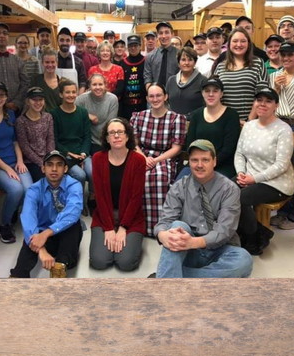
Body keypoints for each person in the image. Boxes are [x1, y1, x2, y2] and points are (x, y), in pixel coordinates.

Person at [153, 139, 253, 278]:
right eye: (194, 160)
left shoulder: (229, 189)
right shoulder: (179, 187)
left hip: (219, 249)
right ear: (189, 162)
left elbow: (225, 230)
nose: (199, 165)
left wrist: (194, 242)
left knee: (243, 260)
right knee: (176, 227)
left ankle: (173, 276)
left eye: (205, 160)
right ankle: (175, 281)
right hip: (187, 250)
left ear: (214, 161)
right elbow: (165, 221)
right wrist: (162, 235)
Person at [234, 86, 294, 255]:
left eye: (268, 101)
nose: (263, 104)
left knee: (240, 198)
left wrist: (254, 179)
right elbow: (239, 153)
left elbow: (282, 165)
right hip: (249, 176)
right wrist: (240, 172)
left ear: (276, 105)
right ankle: (260, 233)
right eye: (259, 100)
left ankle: (253, 241)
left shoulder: (283, 129)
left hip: (277, 182)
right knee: (224, 190)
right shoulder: (249, 126)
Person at [9, 150, 83, 278]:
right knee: (32, 233)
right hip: (43, 236)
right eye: (49, 164)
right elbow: (28, 217)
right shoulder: (34, 189)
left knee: (74, 225)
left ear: (65, 169)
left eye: (59, 165)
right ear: (43, 168)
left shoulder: (74, 185)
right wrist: (41, 248)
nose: (54, 169)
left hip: (63, 233)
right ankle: (19, 274)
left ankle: (60, 267)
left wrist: (46, 233)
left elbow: (73, 212)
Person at [0, 82, 33, 244]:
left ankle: (13, 209)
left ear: (6, 97)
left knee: (29, 189)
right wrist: (7, 169)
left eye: (1, 95)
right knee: (16, 189)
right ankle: (5, 225)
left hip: (14, 160)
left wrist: (19, 161)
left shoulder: (10, 114)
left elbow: (15, 141)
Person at [89, 118, 146, 271]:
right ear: (106, 138)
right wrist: (108, 228)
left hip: (130, 217)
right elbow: (99, 196)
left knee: (125, 263)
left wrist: (123, 228)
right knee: (99, 262)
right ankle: (111, 239)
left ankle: (129, 243)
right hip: (105, 215)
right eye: (112, 133)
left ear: (127, 136)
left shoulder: (138, 160)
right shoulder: (98, 159)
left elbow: (136, 198)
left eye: (120, 132)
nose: (116, 136)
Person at [130, 83, 186, 236]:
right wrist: (144, 158)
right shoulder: (139, 116)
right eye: (152, 96)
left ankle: (160, 227)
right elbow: (133, 143)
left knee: (158, 177)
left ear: (166, 96)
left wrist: (155, 161)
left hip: (165, 157)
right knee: (136, 176)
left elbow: (176, 148)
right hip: (141, 154)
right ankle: (138, 224)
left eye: (159, 95)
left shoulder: (176, 118)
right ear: (147, 98)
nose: (155, 99)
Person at [269, 41, 294, 230]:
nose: (285, 58)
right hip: (280, 123)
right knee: (282, 169)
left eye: (290, 54)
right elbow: (270, 102)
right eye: (283, 55)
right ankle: (282, 212)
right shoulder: (275, 76)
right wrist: (276, 87)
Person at [178, 76, 240, 180]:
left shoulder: (231, 115)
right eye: (207, 91)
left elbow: (229, 148)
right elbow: (190, 144)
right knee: (178, 188)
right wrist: (199, 163)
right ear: (202, 93)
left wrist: (209, 164)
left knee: (210, 191)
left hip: (222, 166)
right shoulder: (197, 115)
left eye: (215, 91)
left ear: (221, 94)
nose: (211, 94)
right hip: (196, 164)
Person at [215, 26, 269, 123]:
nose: (239, 44)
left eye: (243, 41)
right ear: (229, 44)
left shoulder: (258, 63)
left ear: (248, 43)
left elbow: (262, 96)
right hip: (225, 122)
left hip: (252, 123)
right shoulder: (220, 67)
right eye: (235, 41)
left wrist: (249, 120)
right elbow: (215, 96)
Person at [50, 79, 92, 196]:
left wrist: (83, 154)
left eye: (74, 92)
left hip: (82, 153)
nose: (71, 95)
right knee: (80, 175)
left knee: (93, 172)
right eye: (67, 92)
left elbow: (87, 136)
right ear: (61, 94)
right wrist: (69, 154)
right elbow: (54, 140)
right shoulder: (54, 114)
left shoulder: (83, 112)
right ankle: (79, 202)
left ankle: (92, 199)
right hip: (64, 154)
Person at [16, 87, 55, 182]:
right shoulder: (21, 121)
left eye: (40, 99)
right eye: (34, 100)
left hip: (48, 157)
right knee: (45, 179)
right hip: (31, 161)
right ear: (27, 101)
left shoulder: (48, 117)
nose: (38, 103)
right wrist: (41, 163)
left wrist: (49, 159)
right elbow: (24, 147)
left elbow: (50, 139)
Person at [76, 73, 119, 156]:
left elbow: (110, 125)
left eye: (100, 84)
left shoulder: (112, 99)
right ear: (89, 86)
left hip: (106, 140)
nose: (98, 87)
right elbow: (72, 111)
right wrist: (87, 115)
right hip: (89, 142)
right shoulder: (82, 99)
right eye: (94, 84)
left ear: (105, 85)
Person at [166, 46, 207, 121]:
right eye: (183, 60)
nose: (186, 63)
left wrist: (187, 117)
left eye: (190, 60)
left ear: (195, 62)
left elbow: (206, 105)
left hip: (194, 123)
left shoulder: (203, 81)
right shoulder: (171, 80)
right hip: (172, 122)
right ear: (178, 62)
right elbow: (166, 102)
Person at [119, 34, 147, 121]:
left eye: (135, 45)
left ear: (140, 46)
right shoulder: (122, 63)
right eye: (131, 46)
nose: (133, 48)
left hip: (143, 104)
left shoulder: (146, 61)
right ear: (128, 47)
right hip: (126, 106)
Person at [144, 21, 179, 89]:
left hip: (175, 95)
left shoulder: (180, 55)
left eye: (166, 32)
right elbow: (147, 77)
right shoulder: (150, 56)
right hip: (156, 96)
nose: (163, 36)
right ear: (157, 36)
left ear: (172, 34)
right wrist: (151, 92)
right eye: (160, 33)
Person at [56, 27, 87, 93]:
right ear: (57, 41)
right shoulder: (53, 61)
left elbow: (82, 83)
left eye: (67, 40)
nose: (65, 43)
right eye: (62, 40)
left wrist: (79, 97)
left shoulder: (79, 62)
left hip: (73, 98)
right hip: (55, 99)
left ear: (71, 42)